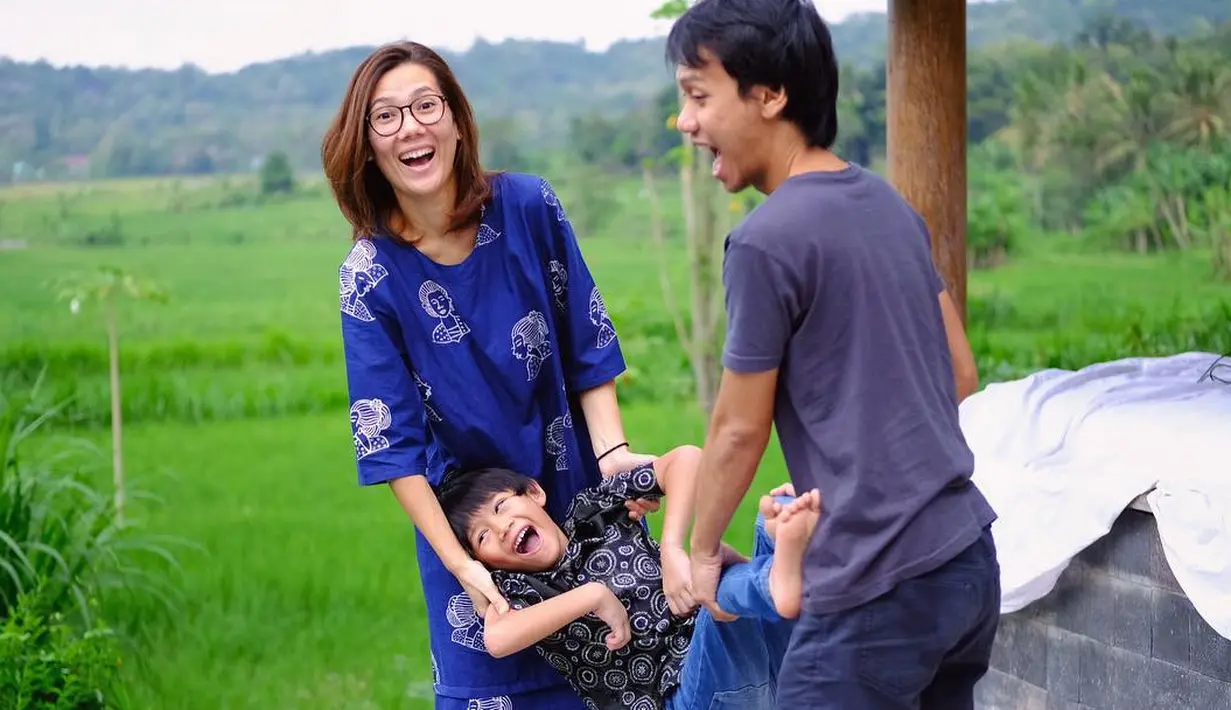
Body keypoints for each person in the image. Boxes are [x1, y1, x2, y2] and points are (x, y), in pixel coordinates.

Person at [663, 1, 1001, 709]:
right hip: (964, 560)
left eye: (698, 95)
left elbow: (737, 427)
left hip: (873, 589)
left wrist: (699, 554)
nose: (684, 121)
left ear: (769, 94)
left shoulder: (765, 240)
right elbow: (958, 374)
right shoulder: (888, 205)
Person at [321, 40, 661, 710]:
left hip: (574, 509)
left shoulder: (528, 207)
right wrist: (461, 565)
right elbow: (393, 448)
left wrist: (615, 454)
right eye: (386, 117)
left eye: (425, 106)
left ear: (455, 122)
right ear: (365, 145)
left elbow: (586, 341)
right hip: (472, 543)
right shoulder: (369, 279)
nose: (410, 127)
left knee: (631, 672)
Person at [433, 444, 821, 710]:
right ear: (483, 560)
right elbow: (498, 639)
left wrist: (671, 547)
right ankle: (778, 564)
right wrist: (592, 595)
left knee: (776, 515)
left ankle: (780, 558)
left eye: (501, 506)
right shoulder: (520, 589)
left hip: (770, 664)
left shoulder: (596, 510)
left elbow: (686, 459)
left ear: (534, 493)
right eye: (483, 536)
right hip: (687, 694)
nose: (500, 529)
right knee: (714, 580)